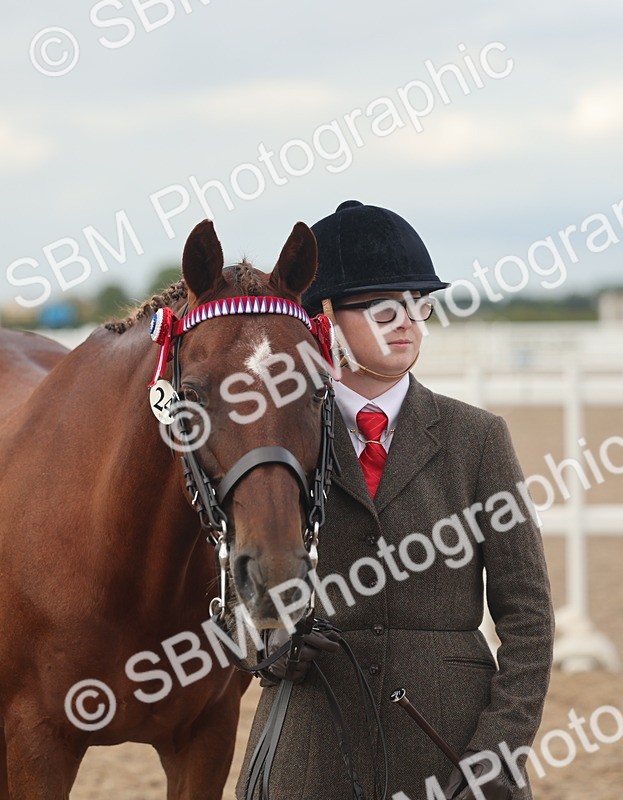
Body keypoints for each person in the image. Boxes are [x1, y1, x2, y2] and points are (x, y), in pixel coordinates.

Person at [236, 200, 554, 800]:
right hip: (311, 747)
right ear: (323, 319)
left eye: (419, 305)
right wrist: (272, 651)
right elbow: (236, 598)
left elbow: (529, 618)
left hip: (450, 742)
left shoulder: (478, 439)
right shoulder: (276, 443)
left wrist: (498, 751)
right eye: (384, 308)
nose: (407, 321)